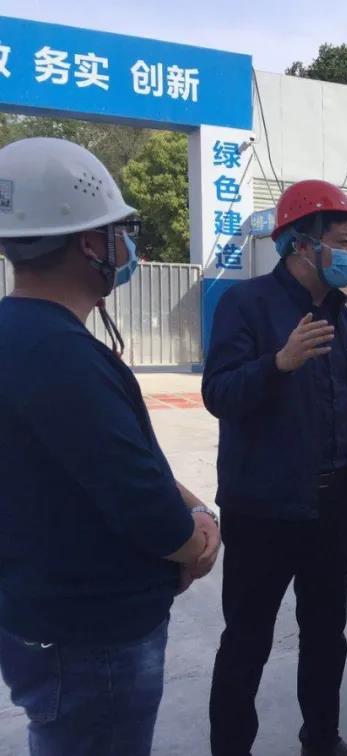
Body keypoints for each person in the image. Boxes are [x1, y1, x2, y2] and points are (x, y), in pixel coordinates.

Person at [0, 137, 220, 756]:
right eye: (117, 230)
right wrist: (198, 536)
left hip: (37, 614)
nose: (127, 245)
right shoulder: (61, 355)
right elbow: (138, 498)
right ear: (89, 244)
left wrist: (187, 502)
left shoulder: (20, 336)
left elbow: (104, 460)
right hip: (91, 637)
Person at [203, 179, 347, 756]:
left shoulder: (339, 313)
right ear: (303, 244)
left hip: (328, 509)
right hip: (263, 510)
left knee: (327, 636)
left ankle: (321, 740)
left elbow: (342, 412)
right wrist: (277, 363)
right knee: (247, 642)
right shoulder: (247, 304)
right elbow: (218, 394)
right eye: (344, 241)